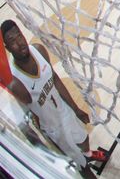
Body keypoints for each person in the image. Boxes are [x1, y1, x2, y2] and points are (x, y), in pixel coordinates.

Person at [1, 20, 107, 176]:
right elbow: (26, 119)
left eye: (19, 36)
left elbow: (55, 79)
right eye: (12, 40)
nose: (19, 42)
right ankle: (84, 163)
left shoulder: (38, 50)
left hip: (65, 111)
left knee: (84, 139)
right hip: (54, 129)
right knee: (82, 168)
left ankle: (88, 155)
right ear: (7, 48)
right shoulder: (15, 81)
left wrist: (75, 109)